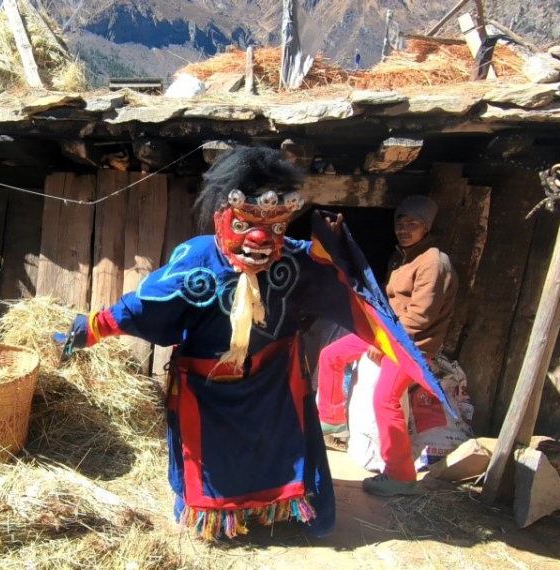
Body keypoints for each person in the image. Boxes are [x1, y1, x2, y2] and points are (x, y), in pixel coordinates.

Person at [61, 145, 447, 540]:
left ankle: (277, 515)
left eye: (277, 227)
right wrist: (93, 327)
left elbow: (335, 277)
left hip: (273, 385)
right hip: (208, 389)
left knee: (277, 454)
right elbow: (146, 304)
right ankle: (220, 520)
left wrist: (329, 247)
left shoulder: (290, 260)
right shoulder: (197, 259)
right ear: (220, 218)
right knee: (217, 463)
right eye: (244, 225)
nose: (260, 239)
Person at [316, 195, 458, 496]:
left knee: (385, 399)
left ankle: (401, 474)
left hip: (412, 346)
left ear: (427, 228)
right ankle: (331, 421)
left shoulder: (434, 261)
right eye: (400, 223)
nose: (404, 230)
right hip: (388, 334)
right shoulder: (404, 256)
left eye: (413, 224)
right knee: (331, 355)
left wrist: (385, 345)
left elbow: (420, 316)